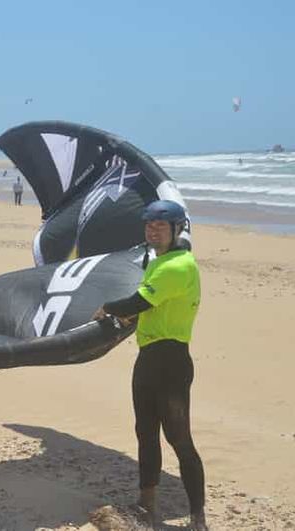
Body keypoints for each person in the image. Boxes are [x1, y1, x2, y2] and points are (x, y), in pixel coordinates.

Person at [93, 200, 206, 530]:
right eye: (149, 225)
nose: (153, 229)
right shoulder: (160, 262)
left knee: (179, 439)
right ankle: (147, 506)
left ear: (177, 229)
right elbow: (147, 306)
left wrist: (107, 308)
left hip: (170, 362)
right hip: (149, 359)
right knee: (145, 433)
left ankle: (198, 518)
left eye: (161, 225)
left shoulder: (179, 266)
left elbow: (139, 302)